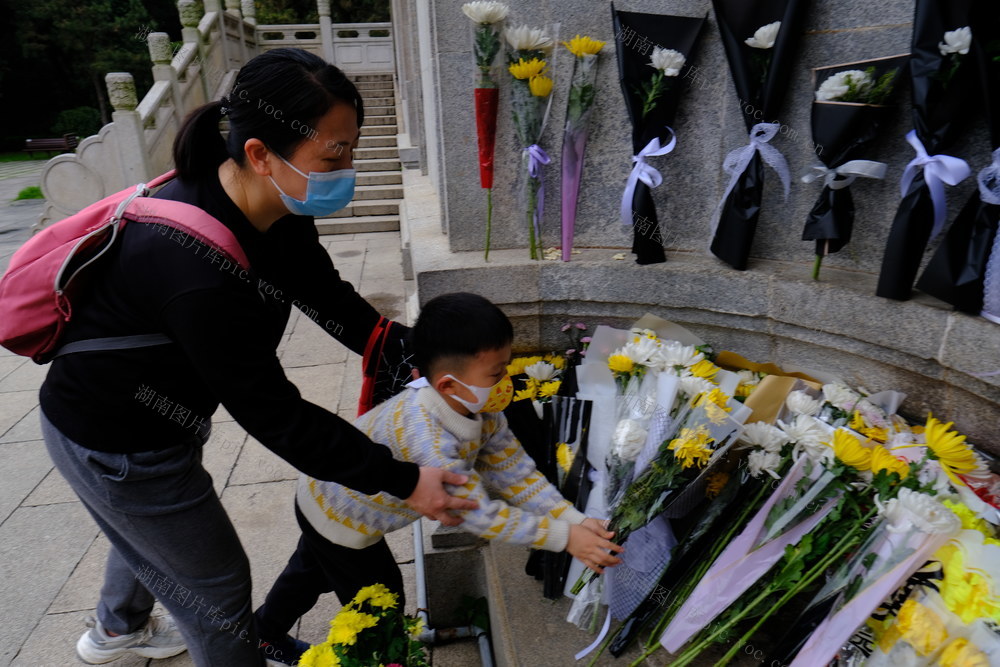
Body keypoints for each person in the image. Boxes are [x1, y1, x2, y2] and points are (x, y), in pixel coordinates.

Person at [37, 48, 475, 667]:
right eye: (334, 154)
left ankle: (115, 629)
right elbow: (275, 416)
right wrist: (405, 479)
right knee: (216, 590)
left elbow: (328, 299)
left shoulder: (277, 207)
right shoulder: (191, 268)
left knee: (148, 534)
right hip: (116, 440)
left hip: (156, 412)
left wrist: (422, 354)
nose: (346, 169)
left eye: (352, 148)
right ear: (260, 153)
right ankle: (136, 630)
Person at [254, 292, 624, 664]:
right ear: (448, 384)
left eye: (506, 367)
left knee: (311, 572)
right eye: (496, 373)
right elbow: (481, 515)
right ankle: (380, 657)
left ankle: (261, 633)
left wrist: (576, 520)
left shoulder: (485, 411)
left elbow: (519, 476)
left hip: (326, 493)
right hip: (339, 514)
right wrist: (566, 538)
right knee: (381, 602)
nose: (506, 381)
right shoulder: (432, 443)